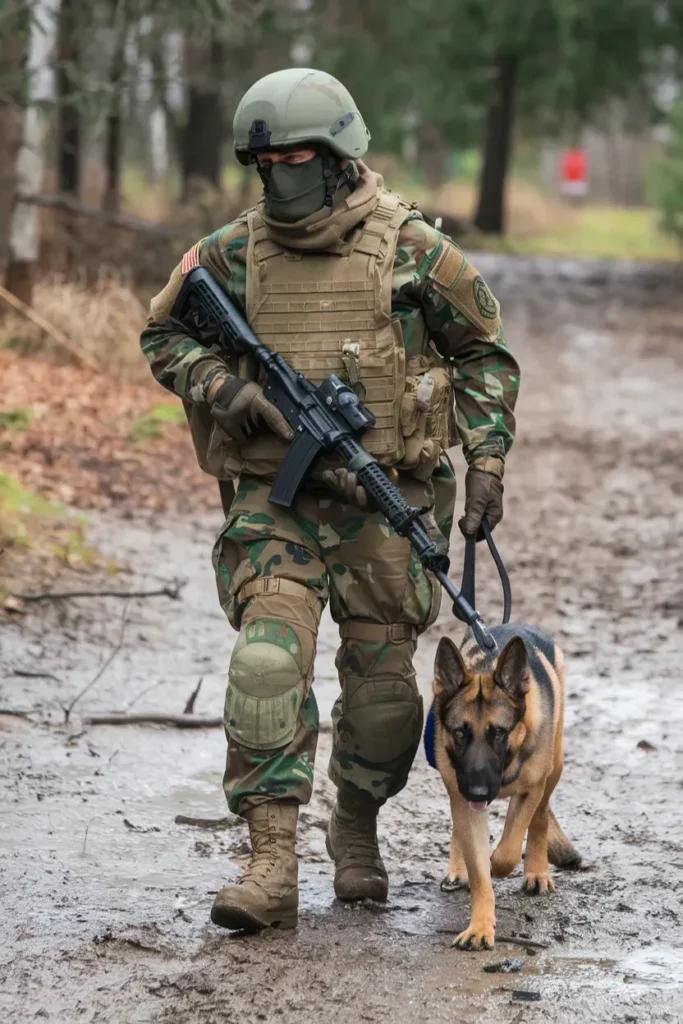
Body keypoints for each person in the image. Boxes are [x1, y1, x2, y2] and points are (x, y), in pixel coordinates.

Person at [140, 68, 520, 932]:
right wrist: (222, 389)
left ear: (341, 156)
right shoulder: (232, 253)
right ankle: (270, 863)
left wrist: (487, 461)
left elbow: (485, 357)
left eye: (298, 158)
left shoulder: (415, 250)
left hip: (388, 507)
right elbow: (162, 332)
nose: (280, 176)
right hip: (275, 506)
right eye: (265, 161)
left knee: (386, 702)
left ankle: (355, 830)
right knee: (268, 665)